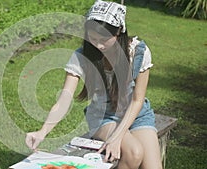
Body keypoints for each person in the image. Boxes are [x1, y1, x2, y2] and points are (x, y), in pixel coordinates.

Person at [26, 0, 163, 168]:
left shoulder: (138, 52)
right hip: (104, 117)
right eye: (93, 38)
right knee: (134, 153)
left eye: (104, 39)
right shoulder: (81, 56)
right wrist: (43, 131)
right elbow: (64, 99)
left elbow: (137, 100)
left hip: (137, 115)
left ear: (119, 31)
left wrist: (118, 136)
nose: (98, 45)